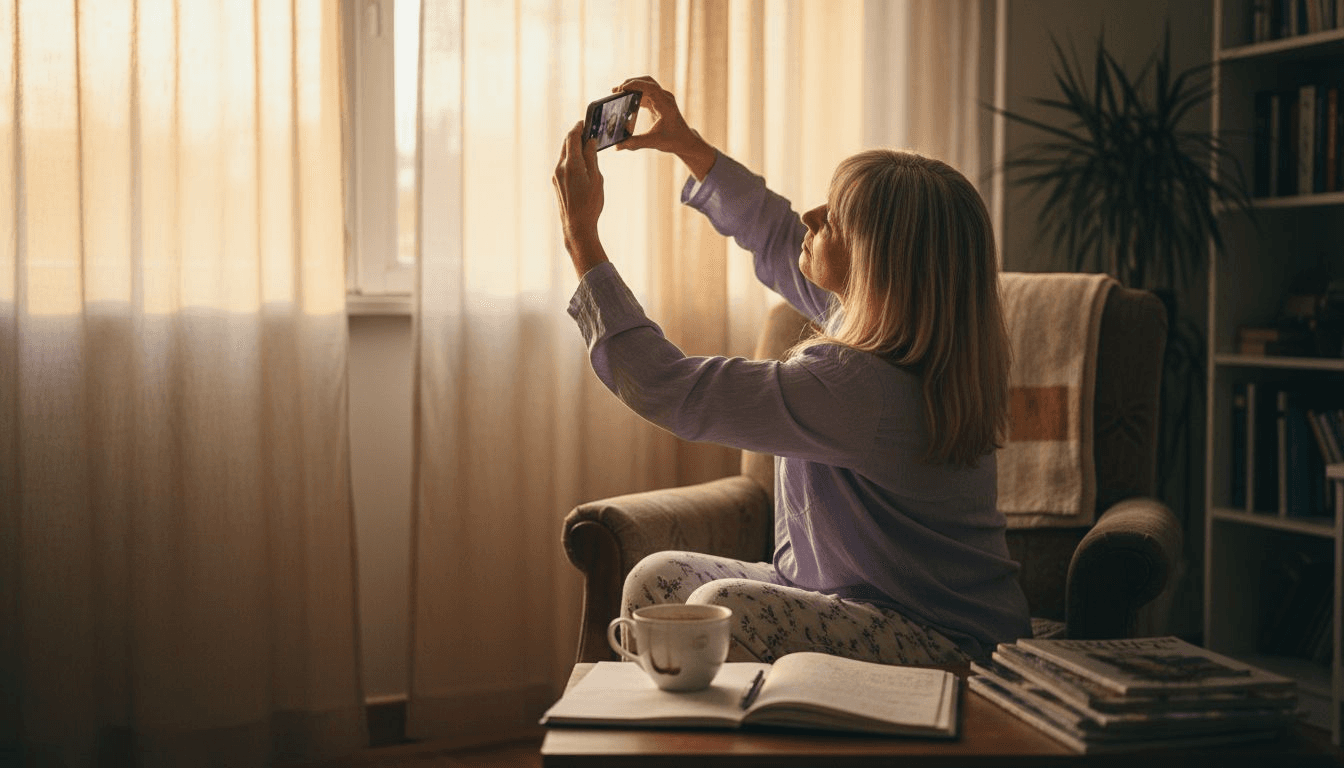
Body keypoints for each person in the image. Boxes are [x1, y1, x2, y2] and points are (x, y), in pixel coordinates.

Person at [552, 76, 1031, 666]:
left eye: (836, 218)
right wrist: (689, 148)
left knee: (724, 604)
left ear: (879, 266)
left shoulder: (855, 385)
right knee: (658, 581)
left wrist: (582, 239)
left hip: (945, 643)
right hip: (852, 604)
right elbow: (781, 237)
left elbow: (669, 387)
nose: (811, 214)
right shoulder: (908, 344)